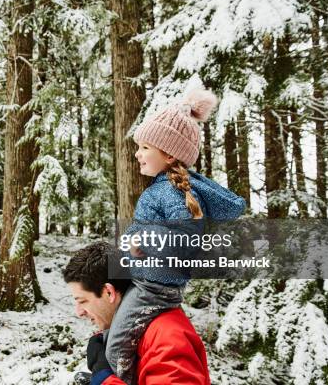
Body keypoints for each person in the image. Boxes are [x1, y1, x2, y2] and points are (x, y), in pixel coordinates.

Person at [107, 89, 246, 384]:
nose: (137, 153)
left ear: (169, 153)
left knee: (115, 351)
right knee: (116, 341)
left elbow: (185, 240)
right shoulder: (163, 188)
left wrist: (140, 239)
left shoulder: (174, 191)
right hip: (147, 282)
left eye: (145, 147)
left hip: (153, 289)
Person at [63, 242, 210, 385]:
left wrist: (105, 380)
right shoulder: (141, 332)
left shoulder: (167, 337)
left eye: (82, 301)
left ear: (109, 292)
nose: (79, 312)